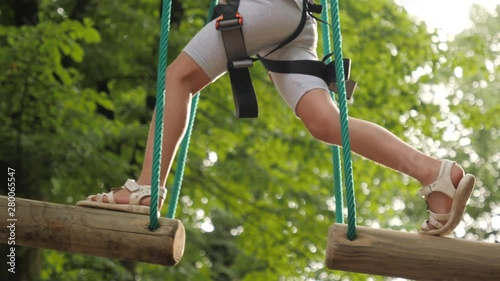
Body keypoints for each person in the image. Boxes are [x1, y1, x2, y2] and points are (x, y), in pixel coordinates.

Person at [77, 0, 476, 237]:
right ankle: (435, 174)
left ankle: (146, 188)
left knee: (178, 78)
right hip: (294, 21)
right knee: (324, 122)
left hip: (263, 10)